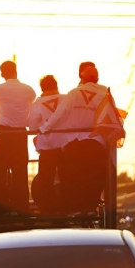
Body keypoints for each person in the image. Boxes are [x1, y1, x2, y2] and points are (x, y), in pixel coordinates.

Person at [39, 63, 112, 215]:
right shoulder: (104, 95)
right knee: (94, 178)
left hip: (75, 144)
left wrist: (44, 129)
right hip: (96, 144)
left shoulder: (73, 94)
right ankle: (91, 208)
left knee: (74, 177)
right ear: (97, 79)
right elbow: (113, 118)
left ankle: (75, 209)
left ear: (81, 77)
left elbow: (59, 114)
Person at [0, 60, 36, 215]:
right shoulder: (29, 90)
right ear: (16, 71)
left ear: (2, 74)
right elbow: (31, 101)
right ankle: (22, 208)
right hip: (20, 134)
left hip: (3, 134)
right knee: (20, 172)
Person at [27, 75, 66, 214]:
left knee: (45, 179)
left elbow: (32, 126)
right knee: (66, 177)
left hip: (47, 145)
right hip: (65, 145)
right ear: (56, 86)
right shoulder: (66, 98)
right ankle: (66, 207)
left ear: (42, 88)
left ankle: (47, 209)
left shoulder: (37, 104)